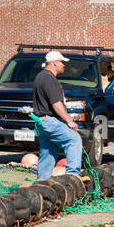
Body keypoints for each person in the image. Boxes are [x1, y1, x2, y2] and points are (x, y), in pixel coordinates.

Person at [32, 51, 82, 179]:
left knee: (48, 151)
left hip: (41, 122)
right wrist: (69, 121)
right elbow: (56, 103)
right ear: (54, 63)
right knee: (74, 140)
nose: (63, 65)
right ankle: (72, 177)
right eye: (61, 62)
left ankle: (41, 183)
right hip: (50, 121)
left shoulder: (40, 76)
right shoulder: (49, 78)